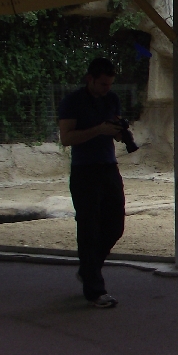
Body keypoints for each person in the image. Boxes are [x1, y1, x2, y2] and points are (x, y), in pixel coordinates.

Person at [58, 58, 127, 309]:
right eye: (102, 84)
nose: (107, 88)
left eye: (110, 84)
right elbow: (66, 138)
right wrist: (98, 129)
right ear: (90, 79)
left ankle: (89, 269)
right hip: (84, 170)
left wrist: (120, 132)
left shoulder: (112, 99)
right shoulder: (72, 102)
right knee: (89, 228)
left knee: (115, 224)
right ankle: (95, 290)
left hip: (108, 167)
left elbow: (115, 127)